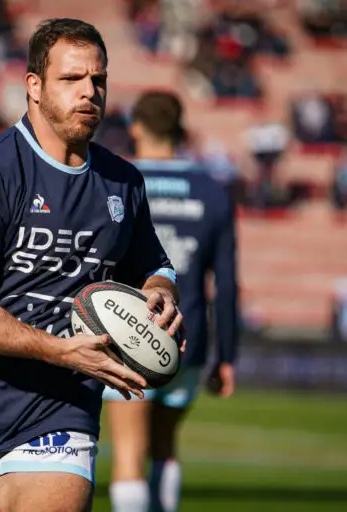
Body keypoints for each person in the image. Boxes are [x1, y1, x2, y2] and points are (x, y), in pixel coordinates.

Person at [0, 18, 184, 512]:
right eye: (71, 79)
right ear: (34, 86)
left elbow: (154, 263)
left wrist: (161, 290)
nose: (89, 92)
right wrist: (60, 351)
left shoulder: (123, 182)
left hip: (58, 413)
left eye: (98, 79)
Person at [103, 91, 239, 512]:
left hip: (126, 333)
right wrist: (226, 356)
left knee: (129, 453)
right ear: (180, 129)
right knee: (165, 446)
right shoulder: (212, 190)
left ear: (136, 127)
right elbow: (228, 284)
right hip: (187, 335)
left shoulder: (117, 180)